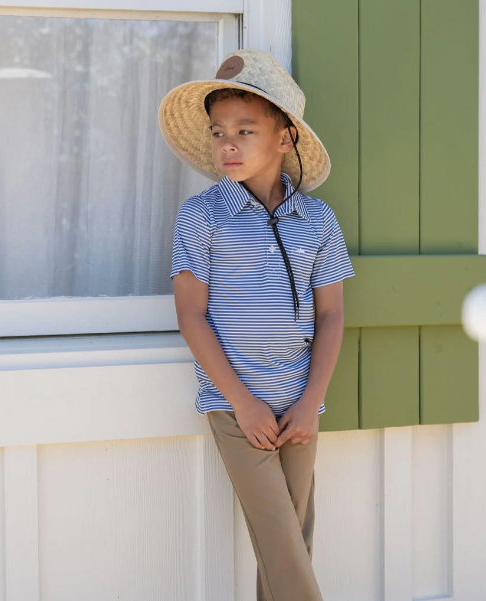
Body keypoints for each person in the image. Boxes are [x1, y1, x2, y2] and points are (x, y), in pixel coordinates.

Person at [158, 49, 355, 601]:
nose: (228, 143)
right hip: (236, 405)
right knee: (283, 544)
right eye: (219, 131)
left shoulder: (317, 219)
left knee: (290, 545)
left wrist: (312, 400)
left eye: (245, 130)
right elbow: (191, 314)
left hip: (299, 404)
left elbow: (333, 314)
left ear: (285, 137)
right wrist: (241, 403)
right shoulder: (202, 216)